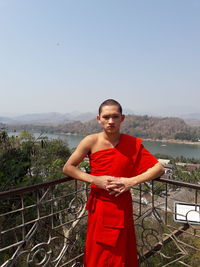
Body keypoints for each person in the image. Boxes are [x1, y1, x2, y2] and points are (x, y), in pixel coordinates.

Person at [63, 99, 164, 267]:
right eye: (106, 117)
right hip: (100, 207)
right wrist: (95, 179)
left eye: (115, 117)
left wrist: (131, 181)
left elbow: (159, 168)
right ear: (98, 119)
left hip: (122, 205)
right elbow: (68, 168)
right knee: (98, 255)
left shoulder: (132, 143)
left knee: (122, 254)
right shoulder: (91, 141)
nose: (111, 121)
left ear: (122, 118)